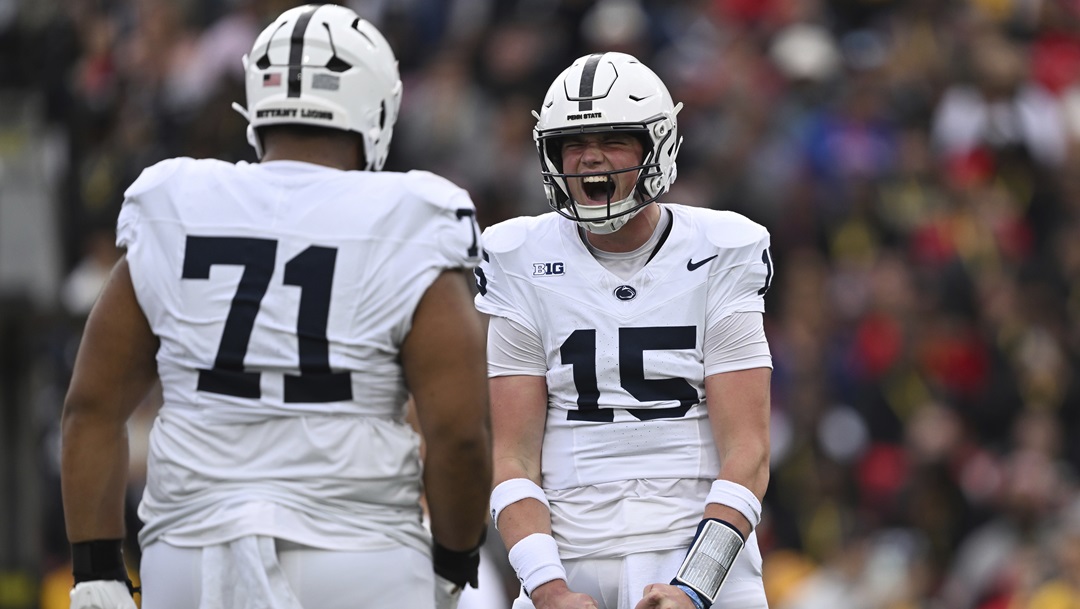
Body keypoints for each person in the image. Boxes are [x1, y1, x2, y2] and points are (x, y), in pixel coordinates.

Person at [60, 5, 491, 609]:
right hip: (354, 553)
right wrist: (453, 561)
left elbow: (92, 406)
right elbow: (460, 435)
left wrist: (95, 567)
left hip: (192, 553)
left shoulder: (178, 202)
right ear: (377, 109)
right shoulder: (410, 214)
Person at [474, 52, 774, 609]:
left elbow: (750, 450)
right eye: (572, 143)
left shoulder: (723, 249)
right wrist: (549, 588)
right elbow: (513, 458)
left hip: (697, 550)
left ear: (655, 147)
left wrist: (695, 586)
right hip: (568, 552)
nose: (590, 158)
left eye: (613, 139)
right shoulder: (517, 255)